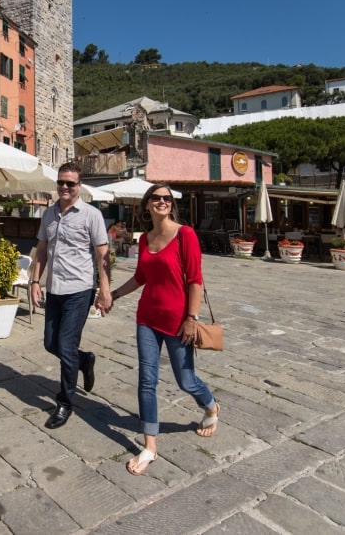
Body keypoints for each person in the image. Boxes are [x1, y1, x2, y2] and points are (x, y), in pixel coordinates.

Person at [102, 183, 219, 476]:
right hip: (147, 319)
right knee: (146, 380)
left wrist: (191, 317)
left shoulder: (185, 235)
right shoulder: (145, 240)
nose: (162, 202)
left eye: (167, 198)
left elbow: (195, 279)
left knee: (186, 380)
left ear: (172, 204)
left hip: (179, 321)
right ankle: (150, 447)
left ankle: (211, 406)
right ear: (147, 205)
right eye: (156, 197)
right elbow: (141, 276)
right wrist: (113, 295)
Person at [30, 162, 110, 430]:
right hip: (54, 289)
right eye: (61, 182)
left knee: (65, 346)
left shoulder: (91, 215)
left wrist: (105, 289)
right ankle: (84, 360)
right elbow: (41, 249)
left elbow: (102, 255)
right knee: (50, 343)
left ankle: (65, 402)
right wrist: (34, 281)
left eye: (71, 183)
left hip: (80, 289)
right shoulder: (48, 215)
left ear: (79, 186)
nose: (65, 187)